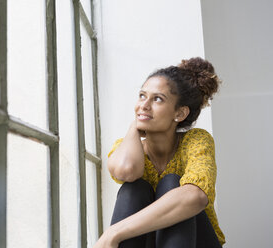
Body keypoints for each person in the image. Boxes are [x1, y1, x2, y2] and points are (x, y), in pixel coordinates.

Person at [93, 57, 225, 248]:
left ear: (179, 114)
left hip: (198, 243)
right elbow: (126, 171)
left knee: (172, 183)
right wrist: (134, 128)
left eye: (157, 99)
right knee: (134, 188)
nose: (144, 105)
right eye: (141, 96)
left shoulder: (195, 141)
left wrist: (114, 232)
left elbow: (195, 196)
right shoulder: (126, 145)